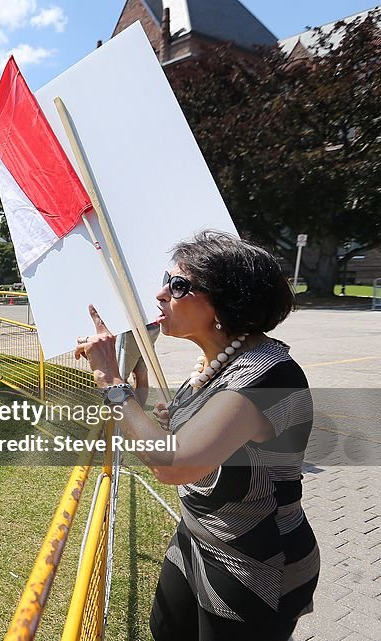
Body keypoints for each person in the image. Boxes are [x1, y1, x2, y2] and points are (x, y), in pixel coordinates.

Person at [74, 231, 318, 641]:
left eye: (179, 286)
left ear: (227, 301)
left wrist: (112, 381)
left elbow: (175, 464)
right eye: (166, 280)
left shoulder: (266, 374)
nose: (160, 294)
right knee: (166, 630)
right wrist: (172, 419)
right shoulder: (218, 361)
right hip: (199, 536)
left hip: (255, 560)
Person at [115, 321, 161, 407]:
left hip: (131, 328)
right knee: (141, 374)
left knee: (120, 377)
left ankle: (134, 413)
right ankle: (138, 412)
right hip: (151, 326)